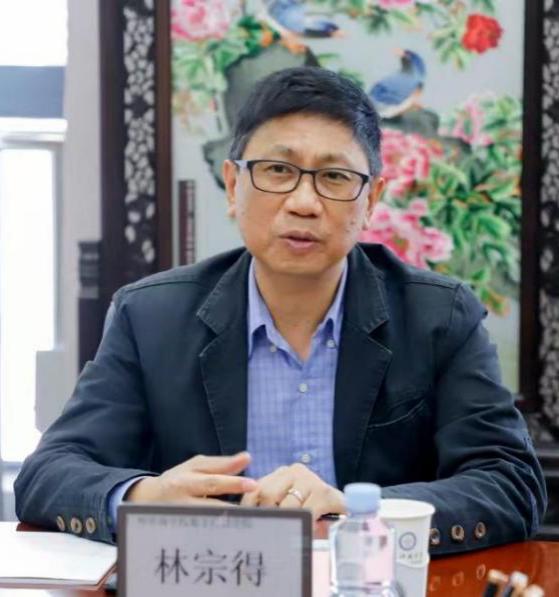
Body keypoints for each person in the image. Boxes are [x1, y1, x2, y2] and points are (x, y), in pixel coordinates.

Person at [15, 67, 546, 554]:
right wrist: (143, 497)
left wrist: (360, 511)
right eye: (276, 170)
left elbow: (510, 483)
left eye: (334, 178)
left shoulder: (439, 316)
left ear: (371, 200)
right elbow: (49, 474)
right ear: (233, 185)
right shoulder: (150, 316)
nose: (303, 202)